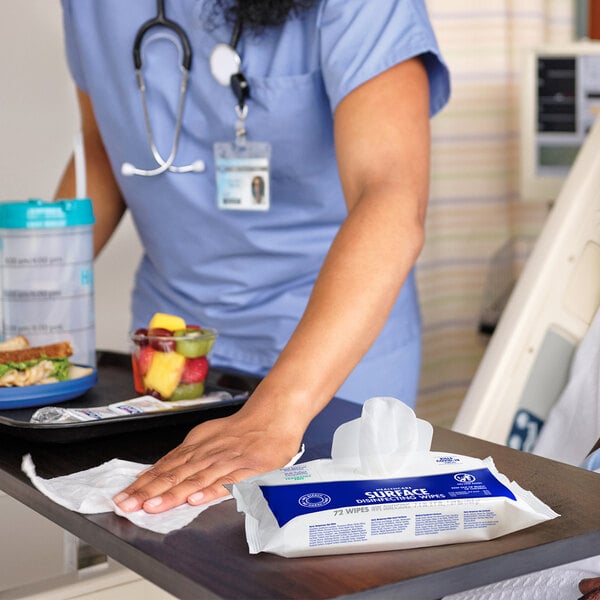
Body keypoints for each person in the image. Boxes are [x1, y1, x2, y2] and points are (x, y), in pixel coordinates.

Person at [56, 0, 450, 513]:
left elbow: (390, 197)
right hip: (175, 346)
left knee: (316, 574)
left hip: (331, 350)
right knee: (170, 552)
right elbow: (104, 145)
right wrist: (28, 297)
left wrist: (278, 410)